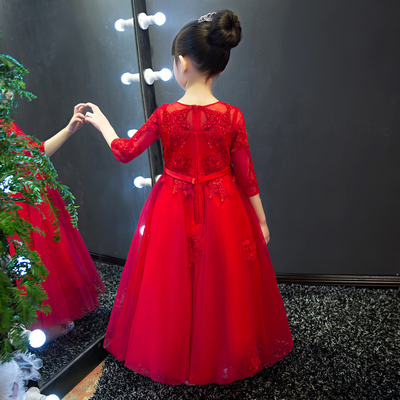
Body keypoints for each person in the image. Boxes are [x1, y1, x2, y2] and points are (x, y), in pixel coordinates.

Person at [85, 9, 293, 385]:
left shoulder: (165, 115)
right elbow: (246, 175)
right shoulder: (232, 116)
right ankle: (224, 350)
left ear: (181, 63)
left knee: (172, 280)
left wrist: (103, 124)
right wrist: (261, 219)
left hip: (172, 205)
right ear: (220, 67)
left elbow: (125, 151)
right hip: (224, 206)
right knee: (224, 280)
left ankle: (174, 351)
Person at [5, 104, 106, 340]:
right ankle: (38, 322)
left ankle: (42, 319)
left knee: (38, 263)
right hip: (19, 204)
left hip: (28, 200)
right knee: (32, 263)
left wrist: (69, 130)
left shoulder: (5, 124)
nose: (10, 94)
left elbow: (35, 155)